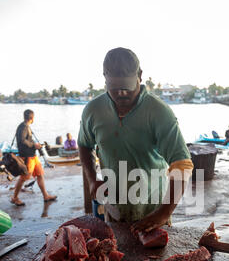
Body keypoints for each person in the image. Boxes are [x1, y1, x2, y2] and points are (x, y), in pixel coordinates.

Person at [78, 47, 194, 233]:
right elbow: (84, 145)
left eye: (127, 87)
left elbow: (182, 165)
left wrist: (163, 213)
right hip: (114, 211)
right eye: (115, 88)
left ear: (140, 75)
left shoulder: (159, 112)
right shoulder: (93, 110)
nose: (121, 94)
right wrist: (92, 179)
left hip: (153, 212)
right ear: (105, 77)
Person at [10, 109, 57, 206]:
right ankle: (14, 198)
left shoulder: (26, 126)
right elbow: (22, 141)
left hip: (33, 156)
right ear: (32, 118)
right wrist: (34, 145)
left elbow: (25, 141)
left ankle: (46, 196)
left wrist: (35, 145)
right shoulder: (23, 127)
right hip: (27, 157)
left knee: (39, 175)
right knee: (24, 177)